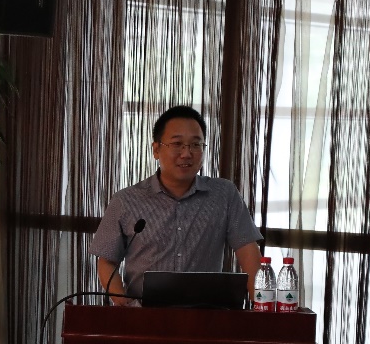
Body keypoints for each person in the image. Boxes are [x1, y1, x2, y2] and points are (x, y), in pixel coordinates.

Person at [90, 105, 262, 306]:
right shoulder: (126, 200)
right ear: (156, 149)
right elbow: (107, 261)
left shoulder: (224, 194)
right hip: (145, 315)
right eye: (177, 144)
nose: (186, 153)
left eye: (196, 145)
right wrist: (126, 306)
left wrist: (260, 308)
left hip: (207, 316)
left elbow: (248, 252)